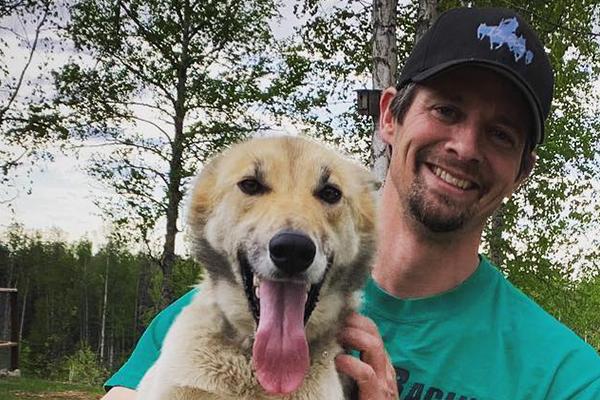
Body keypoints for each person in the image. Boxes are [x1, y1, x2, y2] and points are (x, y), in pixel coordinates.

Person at [102, 7, 600, 400]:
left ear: (522, 171)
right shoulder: (225, 306)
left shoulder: (567, 378)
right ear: (389, 116)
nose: (466, 147)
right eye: (446, 110)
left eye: (500, 134)